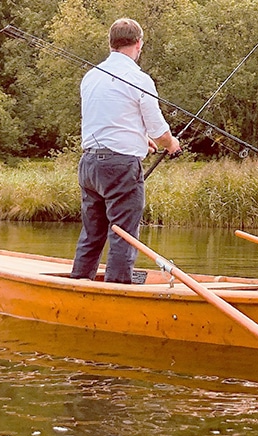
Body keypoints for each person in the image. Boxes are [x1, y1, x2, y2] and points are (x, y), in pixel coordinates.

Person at [70, 18, 181, 284]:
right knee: (122, 233)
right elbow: (157, 128)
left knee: (92, 233)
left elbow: (109, 118)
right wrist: (170, 144)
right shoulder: (138, 78)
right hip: (120, 168)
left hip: (89, 165)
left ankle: (78, 282)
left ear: (111, 43)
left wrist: (142, 141)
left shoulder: (91, 76)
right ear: (138, 44)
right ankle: (117, 290)